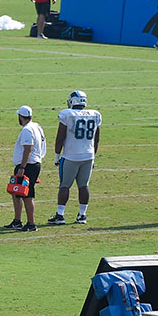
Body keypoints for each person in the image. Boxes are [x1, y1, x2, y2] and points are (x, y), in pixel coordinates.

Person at [50, 90, 100, 226]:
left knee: (65, 185)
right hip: (88, 155)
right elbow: (96, 140)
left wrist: (56, 156)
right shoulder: (94, 115)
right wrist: (94, 156)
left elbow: (60, 138)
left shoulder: (67, 114)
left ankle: (60, 215)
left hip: (71, 156)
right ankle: (82, 215)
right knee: (84, 185)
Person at [6, 105, 45, 232]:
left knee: (27, 194)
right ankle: (17, 221)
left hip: (27, 166)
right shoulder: (36, 126)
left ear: (21, 117)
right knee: (16, 193)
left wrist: (22, 167)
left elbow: (28, 149)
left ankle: (31, 223)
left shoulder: (27, 130)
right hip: (33, 164)